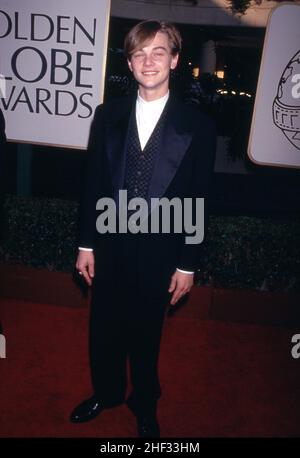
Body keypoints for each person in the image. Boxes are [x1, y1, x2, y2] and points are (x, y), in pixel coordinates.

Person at [70, 20, 216, 437]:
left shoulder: (198, 126)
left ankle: (145, 402)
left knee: (146, 334)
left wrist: (188, 264)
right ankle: (108, 392)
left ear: (173, 60)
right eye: (139, 53)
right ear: (129, 63)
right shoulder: (107, 115)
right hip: (109, 243)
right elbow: (93, 184)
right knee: (104, 327)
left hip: (161, 248)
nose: (147, 61)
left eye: (158, 52)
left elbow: (199, 198)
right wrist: (86, 244)